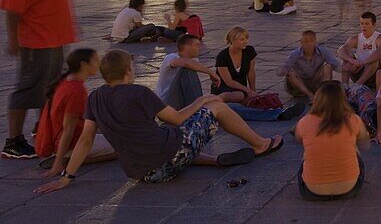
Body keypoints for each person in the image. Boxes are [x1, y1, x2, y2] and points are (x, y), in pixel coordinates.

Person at [34, 49, 282, 193]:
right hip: (168, 161)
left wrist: (67, 176)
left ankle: (212, 160)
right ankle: (260, 144)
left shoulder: (95, 97)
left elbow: (86, 140)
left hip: (140, 173)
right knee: (216, 107)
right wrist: (203, 100)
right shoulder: (139, 92)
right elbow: (176, 117)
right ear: (128, 71)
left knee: (163, 133)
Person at [1, 0, 76, 159]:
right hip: (36, 41)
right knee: (27, 89)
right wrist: (14, 40)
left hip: (55, 40)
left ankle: (42, 128)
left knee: (51, 89)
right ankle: (13, 141)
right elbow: (13, 10)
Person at [158, 34, 303, 122]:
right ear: (187, 47)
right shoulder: (171, 57)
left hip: (187, 106)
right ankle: (200, 109)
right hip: (169, 107)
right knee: (187, 69)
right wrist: (211, 73)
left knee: (225, 108)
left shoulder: (195, 61)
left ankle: (276, 114)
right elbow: (186, 63)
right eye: (196, 45)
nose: (199, 49)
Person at [35, 49, 116, 174]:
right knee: (123, 145)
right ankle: (72, 160)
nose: (98, 63)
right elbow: (68, 129)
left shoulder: (66, 80)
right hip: (72, 144)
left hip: (69, 136)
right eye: (95, 60)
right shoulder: (76, 90)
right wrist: (58, 162)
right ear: (83, 64)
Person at [294, 81, 369, 201]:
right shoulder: (353, 119)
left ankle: (316, 175)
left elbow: (298, 139)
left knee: (306, 151)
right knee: (353, 146)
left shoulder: (304, 122)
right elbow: (365, 143)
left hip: (311, 191)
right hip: (349, 189)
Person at [281, 30, 339, 101]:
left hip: (316, 82)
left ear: (315, 42)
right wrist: (283, 70)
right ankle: (310, 95)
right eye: (305, 41)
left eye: (311, 40)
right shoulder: (295, 54)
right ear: (301, 43)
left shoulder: (323, 51)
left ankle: (321, 93)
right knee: (291, 73)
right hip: (300, 85)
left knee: (328, 66)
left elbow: (335, 63)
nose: (308, 43)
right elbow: (285, 68)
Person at [339, 12, 381, 86]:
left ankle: (357, 86)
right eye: (362, 23)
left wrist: (363, 63)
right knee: (347, 55)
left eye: (367, 24)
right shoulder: (356, 38)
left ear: (373, 25)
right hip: (358, 71)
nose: (363, 26)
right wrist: (352, 61)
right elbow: (341, 50)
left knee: (374, 60)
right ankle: (345, 86)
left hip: (374, 75)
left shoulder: (380, 38)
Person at [110, 0, 178, 43]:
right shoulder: (136, 13)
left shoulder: (125, 10)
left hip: (119, 38)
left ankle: (158, 34)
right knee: (151, 26)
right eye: (142, 6)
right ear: (139, 6)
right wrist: (149, 27)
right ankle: (156, 36)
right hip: (125, 39)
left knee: (152, 27)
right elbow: (139, 26)